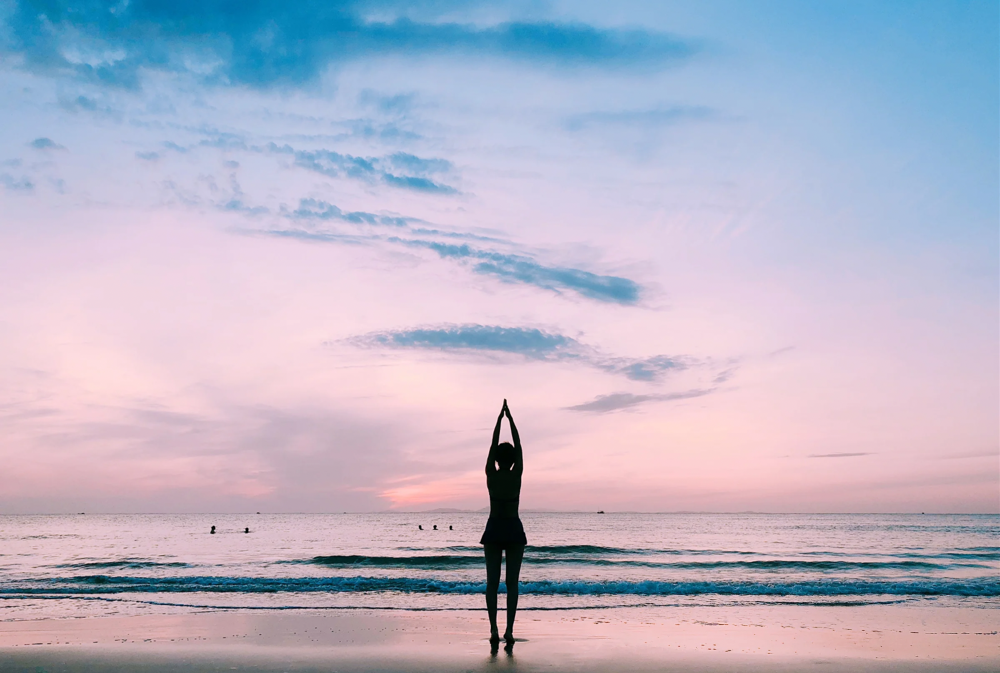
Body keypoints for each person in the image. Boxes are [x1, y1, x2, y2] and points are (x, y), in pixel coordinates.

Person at [480, 399, 526, 648]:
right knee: (511, 584)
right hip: (513, 529)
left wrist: (499, 421)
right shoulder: (516, 475)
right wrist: (511, 420)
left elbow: (491, 447)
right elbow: (519, 447)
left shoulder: (491, 475)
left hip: (495, 527)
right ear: (511, 460)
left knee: (492, 583)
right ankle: (509, 629)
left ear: (497, 459)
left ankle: (494, 629)